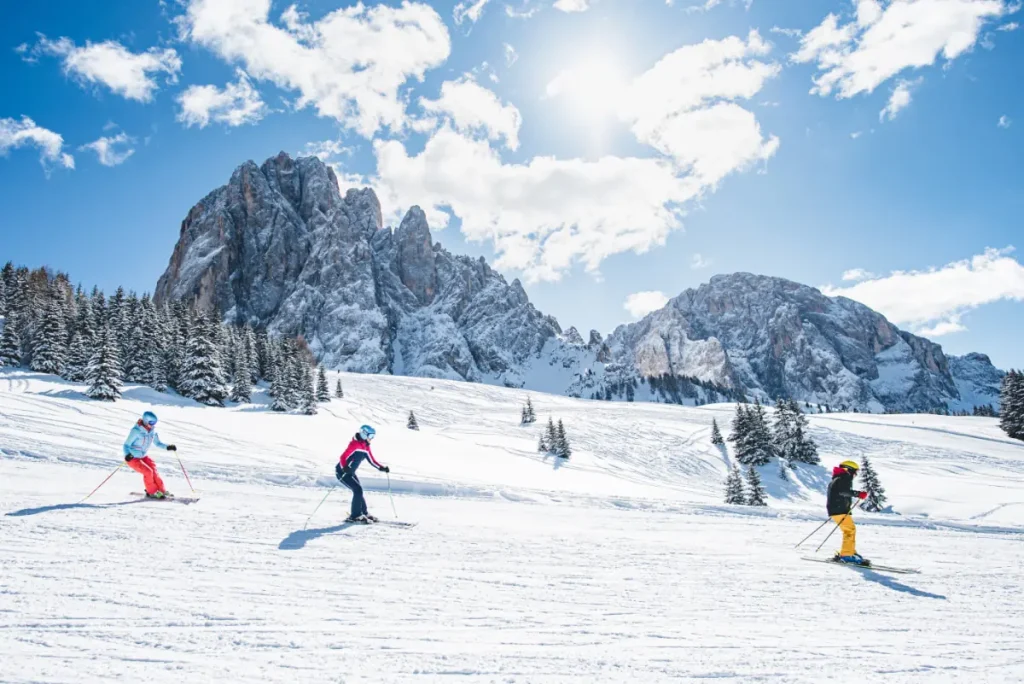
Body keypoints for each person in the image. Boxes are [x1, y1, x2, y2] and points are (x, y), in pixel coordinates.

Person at [336, 424, 389, 523]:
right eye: (371, 436)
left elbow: (372, 460)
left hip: (350, 473)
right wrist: (344, 468)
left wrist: (382, 468)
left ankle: (364, 513)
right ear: (364, 434)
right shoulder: (354, 444)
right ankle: (355, 516)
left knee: (359, 491)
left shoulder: (366, 447)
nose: (372, 439)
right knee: (358, 490)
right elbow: (343, 457)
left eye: (373, 437)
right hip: (342, 472)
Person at [124, 411, 177, 499]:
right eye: (151, 422)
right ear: (146, 421)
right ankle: (152, 492)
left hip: (143, 457)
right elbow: (126, 445)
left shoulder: (152, 431)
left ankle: (162, 491)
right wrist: (127, 455)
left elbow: (158, 443)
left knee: (154, 470)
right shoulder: (136, 431)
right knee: (148, 472)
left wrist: (168, 447)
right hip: (133, 458)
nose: (153, 425)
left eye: (154, 423)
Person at [826, 460, 870, 566]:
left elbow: (841, 492)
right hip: (839, 510)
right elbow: (843, 492)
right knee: (849, 531)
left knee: (850, 530)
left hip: (838, 509)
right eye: (855, 472)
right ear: (848, 470)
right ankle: (847, 555)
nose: (855, 474)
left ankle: (849, 552)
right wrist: (858, 494)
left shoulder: (839, 478)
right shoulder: (844, 478)